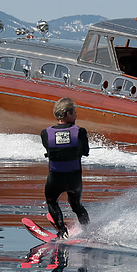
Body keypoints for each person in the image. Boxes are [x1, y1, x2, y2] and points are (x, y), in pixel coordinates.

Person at [41, 97, 90, 239]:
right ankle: (88, 231)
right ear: (68, 114)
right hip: (74, 179)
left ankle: (62, 231)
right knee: (77, 206)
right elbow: (85, 152)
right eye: (75, 113)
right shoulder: (80, 132)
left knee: (52, 202)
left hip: (55, 179)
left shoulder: (45, 133)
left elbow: (49, 148)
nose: (76, 115)